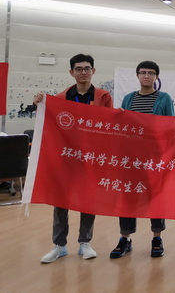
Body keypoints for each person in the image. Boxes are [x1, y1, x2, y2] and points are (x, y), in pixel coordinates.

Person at [35, 54, 113, 264]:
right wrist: (41, 104)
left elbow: (109, 125)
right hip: (66, 158)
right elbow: (50, 123)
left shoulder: (103, 96)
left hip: (91, 159)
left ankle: (85, 242)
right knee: (60, 200)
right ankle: (59, 245)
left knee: (88, 199)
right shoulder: (60, 98)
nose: (83, 72)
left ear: (93, 71)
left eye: (87, 68)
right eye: (78, 69)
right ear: (71, 72)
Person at [110, 61, 174, 259]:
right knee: (128, 196)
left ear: (157, 77)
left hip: (154, 159)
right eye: (143, 72)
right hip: (130, 158)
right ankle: (125, 238)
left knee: (155, 197)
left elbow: (170, 127)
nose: (147, 76)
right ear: (137, 75)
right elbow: (122, 127)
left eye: (151, 73)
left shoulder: (164, 98)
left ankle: (157, 237)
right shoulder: (128, 98)